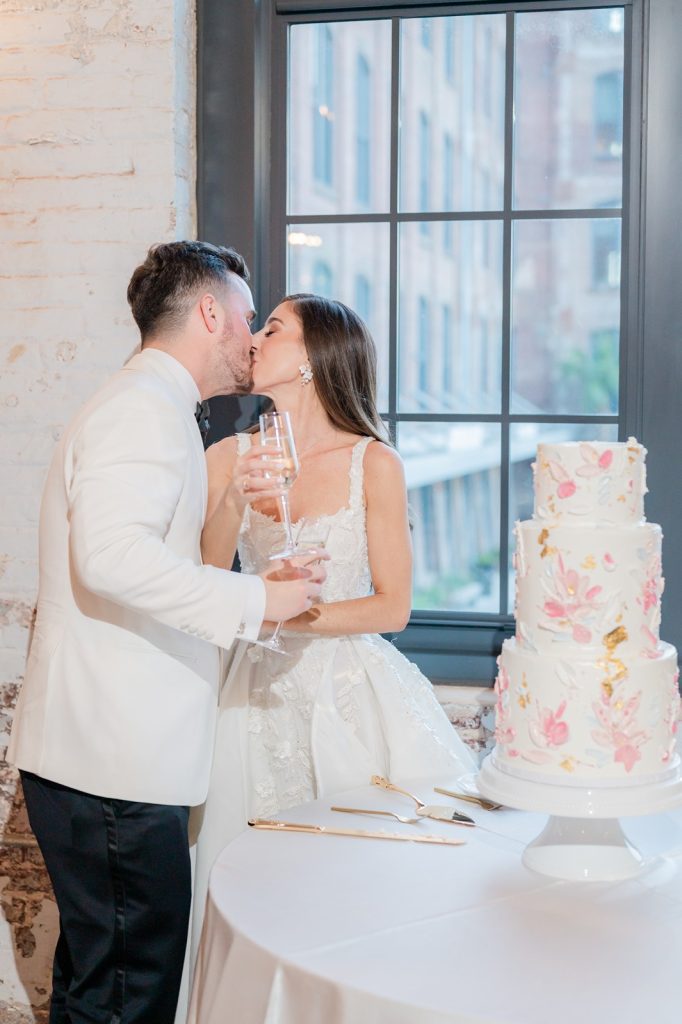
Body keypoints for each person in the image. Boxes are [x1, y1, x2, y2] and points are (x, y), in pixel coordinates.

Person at [7, 244, 326, 1024]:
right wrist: (258, 601)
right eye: (247, 317)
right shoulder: (142, 411)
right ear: (210, 313)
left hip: (103, 763)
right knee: (128, 999)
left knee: (99, 988)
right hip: (112, 766)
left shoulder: (150, 406)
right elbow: (113, 560)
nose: (252, 337)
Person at [189, 293, 477, 971]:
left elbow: (392, 608)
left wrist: (294, 609)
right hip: (252, 696)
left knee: (357, 896)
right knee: (251, 891)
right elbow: (202, 577)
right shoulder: (230, 456)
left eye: (274, 328)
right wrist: (234, 497)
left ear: (314, 359)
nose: (254, 338)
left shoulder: (373, 463)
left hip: (350, 696)